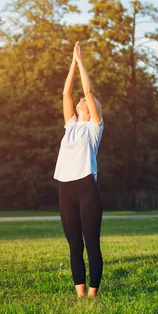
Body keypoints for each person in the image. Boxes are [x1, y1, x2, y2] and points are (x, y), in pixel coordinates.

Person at [54, 42, 105, 298]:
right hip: (65, 187)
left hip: (86, 187)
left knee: (91, 245)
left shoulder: (94, 126)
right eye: (82, 99)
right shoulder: (71, 125)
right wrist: (72, 63)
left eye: (87, 100)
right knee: (74, 246)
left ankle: (93, 296)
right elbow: (66, 95)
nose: (82, 99)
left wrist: (83, 62)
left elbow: (87, 88)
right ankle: (80, 295)